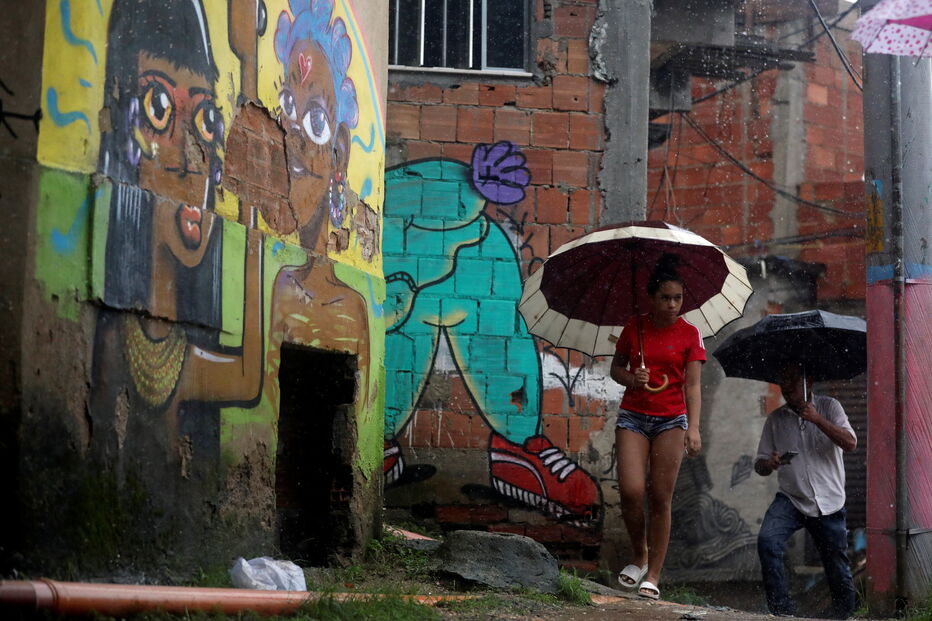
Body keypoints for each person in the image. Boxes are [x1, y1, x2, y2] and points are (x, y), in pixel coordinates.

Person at [610, 256, 705, 600]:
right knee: (632, 491)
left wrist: (693, 428)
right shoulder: (634, 327)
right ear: (651, 298)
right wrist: (631, 379)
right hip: (633, 416)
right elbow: (615, 369)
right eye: (665, 297)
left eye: (677, 298)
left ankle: (653, 575)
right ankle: (639, 555)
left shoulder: (690, 333)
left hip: (671, 421)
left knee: (661, 498)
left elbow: (692, 386)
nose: (672, 305)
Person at [755, 363, 857, 619]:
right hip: (792, 498)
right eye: (783, 382)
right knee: (768, 541)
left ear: (808, 382)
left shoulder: (830, 406)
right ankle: (782, 611)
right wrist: (770, 463)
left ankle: (844, 614)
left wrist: (817, 419)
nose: (786, 388)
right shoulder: (776, 419)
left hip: (829, 499)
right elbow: (760, 465)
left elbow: (850, 443)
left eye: (792, 381)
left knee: (836, 565)